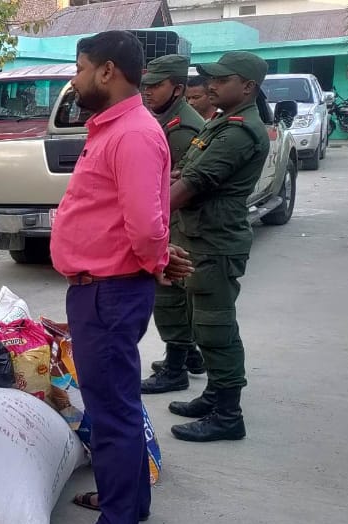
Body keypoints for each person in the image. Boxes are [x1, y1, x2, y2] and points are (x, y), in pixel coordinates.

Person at [48, 31, 188, 524]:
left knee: (112, 412)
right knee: (114, 405)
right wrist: (154, 258)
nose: (75, 78)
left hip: (107, 292)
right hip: (104, 290)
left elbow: (148, 225)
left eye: (80, 67)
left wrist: (155, 260)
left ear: (107, 71)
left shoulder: (130, 134)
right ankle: (127, 499)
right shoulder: (117, 128)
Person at [165, 52, 270, 443]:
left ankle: (229, 415)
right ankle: (213, 395)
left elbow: (196, 182)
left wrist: (149, 215)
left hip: (216, 242)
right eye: (210, 78)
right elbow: (186, 170)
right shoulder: (220, 123)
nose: (210, 85)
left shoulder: (239, 131)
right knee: (200, 322)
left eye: (221, 79)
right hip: (201, 238)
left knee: (216, 328)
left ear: (248, 87)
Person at [139, 54, 209, 395]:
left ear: (178, 88)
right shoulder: (167, 118)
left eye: (156, 86)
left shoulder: (182, 128)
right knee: (176, 295)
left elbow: (182, 184)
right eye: (146, 85)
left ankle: (176, 368)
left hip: (179, 222)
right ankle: (186, 356)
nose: (148, 92)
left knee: (169, 296)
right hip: (174, 220)